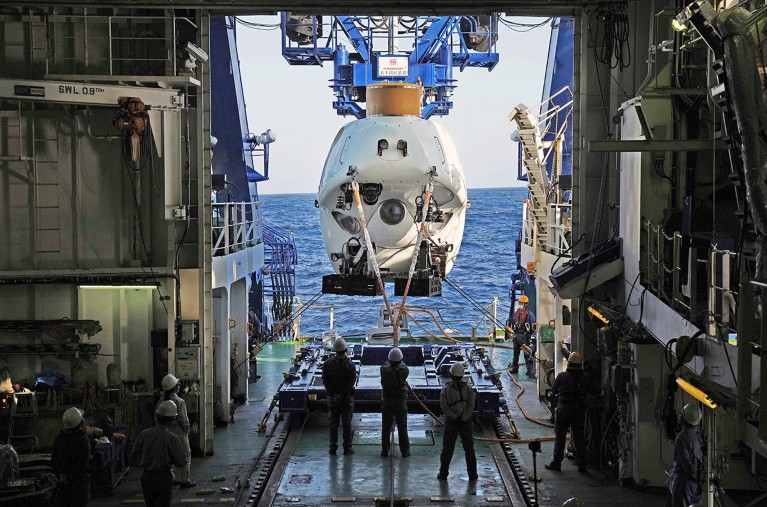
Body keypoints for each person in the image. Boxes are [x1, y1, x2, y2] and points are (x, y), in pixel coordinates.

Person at [132, 400, 187, 507]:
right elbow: (181, 461)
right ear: (172, 419)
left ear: (157, 415)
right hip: (163, 478)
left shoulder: (143, 434)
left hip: (147, 477)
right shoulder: (171, 438)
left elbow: (133, 458)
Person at [545, 351, 589, 473]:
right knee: (579, 437)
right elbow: (594, 391)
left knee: (560, 437)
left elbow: (553, 392)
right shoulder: (585, 378)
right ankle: (582, 465)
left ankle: (556, 463)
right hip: (579, 410)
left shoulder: (562, 376)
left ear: (568, 363)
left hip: (564, 409)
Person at [437, 363, 478, 481]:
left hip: (452, 421)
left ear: (451, 374)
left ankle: (443, 474)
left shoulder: (446, 389)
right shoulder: (468, 388)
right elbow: (471, 405)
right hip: (465, 421)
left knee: (448, 448)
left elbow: (444, 406)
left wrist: (454, 416)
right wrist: (464, 417)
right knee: (469, 449)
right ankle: (473, 474)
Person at [158, 373, 195, 488]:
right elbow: (184, 420)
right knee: (185, 454)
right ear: (176, 387)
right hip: (179, 431)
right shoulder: (179, 401)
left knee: (167, 455)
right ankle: (185, 480)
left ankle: (171, 478)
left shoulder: (160, 401)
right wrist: (187, 431)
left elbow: (156, 418)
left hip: (164, 430)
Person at [321, 337, 357, 455]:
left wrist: (333, 394)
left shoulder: (327, 363)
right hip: (346, 399)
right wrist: (342, 395)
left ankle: (332, 448)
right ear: (345, 350)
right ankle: (347, 448)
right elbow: (351, 382)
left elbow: (325, 380)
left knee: (333, 424)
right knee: (347, 423)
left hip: (333, 398)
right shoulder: (350, 365)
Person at [51, 407, 91, 507]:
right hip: (79, 485)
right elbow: (82, 464)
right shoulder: (83, 441)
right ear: (81, 422)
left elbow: (54, 461)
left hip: (63, 485)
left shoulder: (59, 439)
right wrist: (71, 478)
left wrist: (61, 476)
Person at [667, 403, 703, 507]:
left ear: (685, 419)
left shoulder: (681, 438)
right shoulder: (698, 436)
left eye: (681, 415)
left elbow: (687, 464)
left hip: (684, 483)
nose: (679, 417)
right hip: (696, 483)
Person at [380, 347, 411, 457]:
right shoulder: (405, 371)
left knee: (386, 427)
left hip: (387, 401)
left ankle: (385, 451)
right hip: (400, 402)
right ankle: (405, 452)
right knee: (402, 427)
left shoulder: (383, 370)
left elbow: (386, 367)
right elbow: (402, 367)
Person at [509, 295, 536, 378]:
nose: (520, 304)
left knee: (526, 354)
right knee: (515, 353)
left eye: (522, 303)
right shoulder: (516, 314)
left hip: (525, 336)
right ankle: (515, 368)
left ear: (526, 304)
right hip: (516, 335)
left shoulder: (530, 315)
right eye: (519, 303)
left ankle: (528, 370)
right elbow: (513, 323)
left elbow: (533, 327)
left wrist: (528, 335)